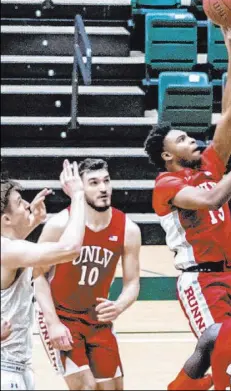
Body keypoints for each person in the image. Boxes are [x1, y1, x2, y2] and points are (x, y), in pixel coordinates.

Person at [145, 25, 231, 337]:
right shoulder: (166, 185)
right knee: (219, 357)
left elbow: (229, 113)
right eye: (182, 139)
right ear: (166, 155)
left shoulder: (208, 167)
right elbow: (212, 200)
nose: (192, 141)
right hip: (201, 281)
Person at [33, 158, 141, 391]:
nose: (103, 188)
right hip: (61, 315)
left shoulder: (129, 229)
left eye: (106, 181)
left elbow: (132, 282)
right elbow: (37, 276)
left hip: (97, 319)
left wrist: (120, 305)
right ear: (80, 189)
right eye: (93, 183)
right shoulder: (60, 224)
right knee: (85, 387)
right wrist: (52, 323)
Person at [1, 160, 87, 390]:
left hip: (16, 367)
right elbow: (70, 249)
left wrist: (33, 223)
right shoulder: (7, 250)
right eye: (20, 203)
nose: (27, 205)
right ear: (5, 220)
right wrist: (78, 197)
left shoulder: (8, 248)